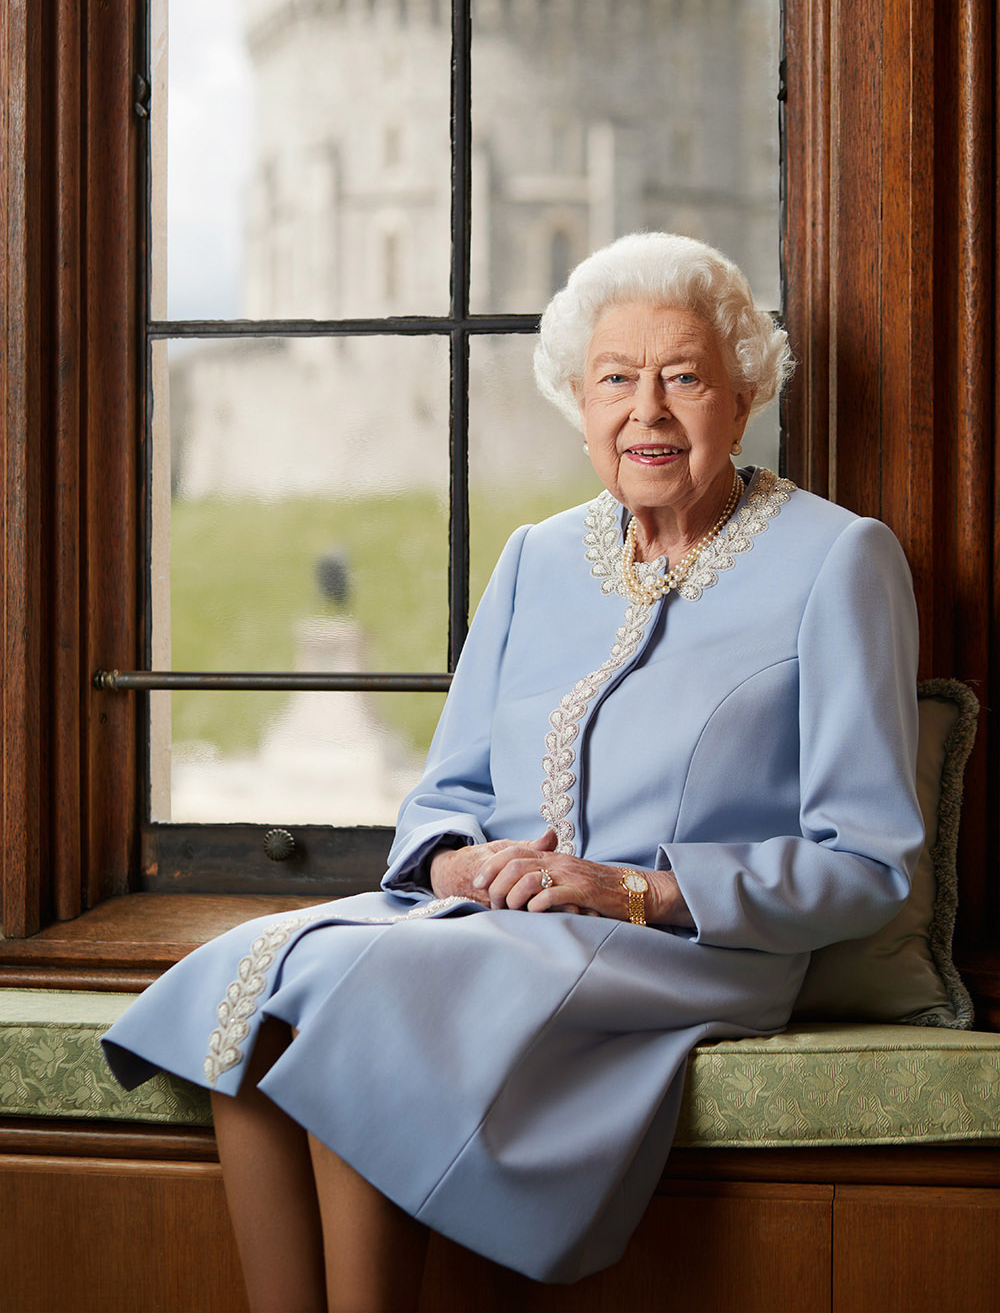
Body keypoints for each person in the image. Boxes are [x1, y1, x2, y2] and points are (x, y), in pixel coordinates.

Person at [102, 232, 924, 1313]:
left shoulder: (837, 559)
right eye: (615, 381)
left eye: (683, 378)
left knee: (369, 1000)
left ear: (745, 391)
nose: (649, 413)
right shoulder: (535, 558)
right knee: (254, 975)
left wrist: (630, 888)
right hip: (495, 931)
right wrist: (455, 866)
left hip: (683, 949)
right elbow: (443, 794)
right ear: (577, 402)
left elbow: (868, 861)